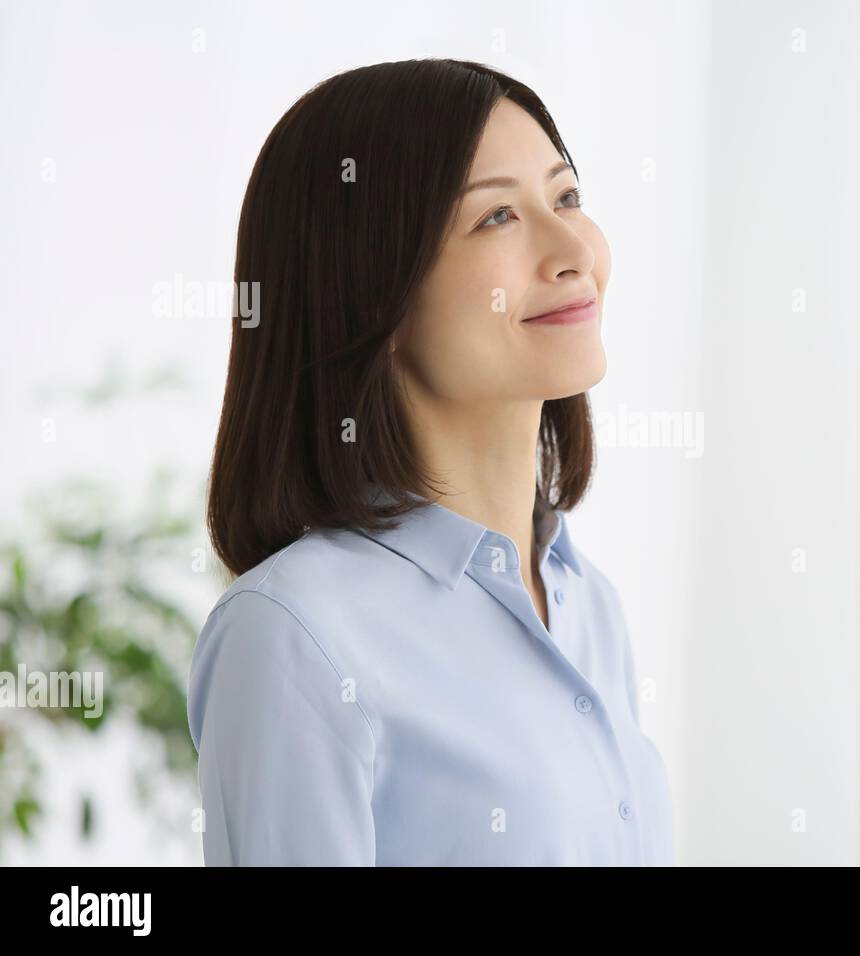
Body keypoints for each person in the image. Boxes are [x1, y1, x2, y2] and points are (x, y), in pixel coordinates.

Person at [186, 58, 673, 866]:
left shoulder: (590, 606)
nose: (572, 250)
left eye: (566, 198)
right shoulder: (295, 636)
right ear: (373, 291)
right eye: (496, 219)